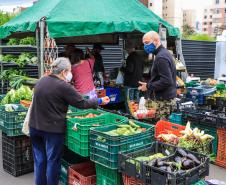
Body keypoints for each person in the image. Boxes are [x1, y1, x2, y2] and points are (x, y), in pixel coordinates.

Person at [29, 57, 109, 185]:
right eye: (69, 71)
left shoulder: (42, 80)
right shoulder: (63, 86)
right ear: (63, 72)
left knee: (39, 161)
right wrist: (99, 101)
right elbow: (82, 103)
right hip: (52, 130)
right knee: (52, 161)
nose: (70, 74)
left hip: (34, 127)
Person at [138, 31, 177, 119]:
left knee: (160, 128)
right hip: (166, 98)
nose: (145, 46)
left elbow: (166, 81)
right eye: (144, 43)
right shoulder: (163, 54)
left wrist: (148, 86)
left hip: (164, 101)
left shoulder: (161, 57)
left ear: (156, 40)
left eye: (147, 43)